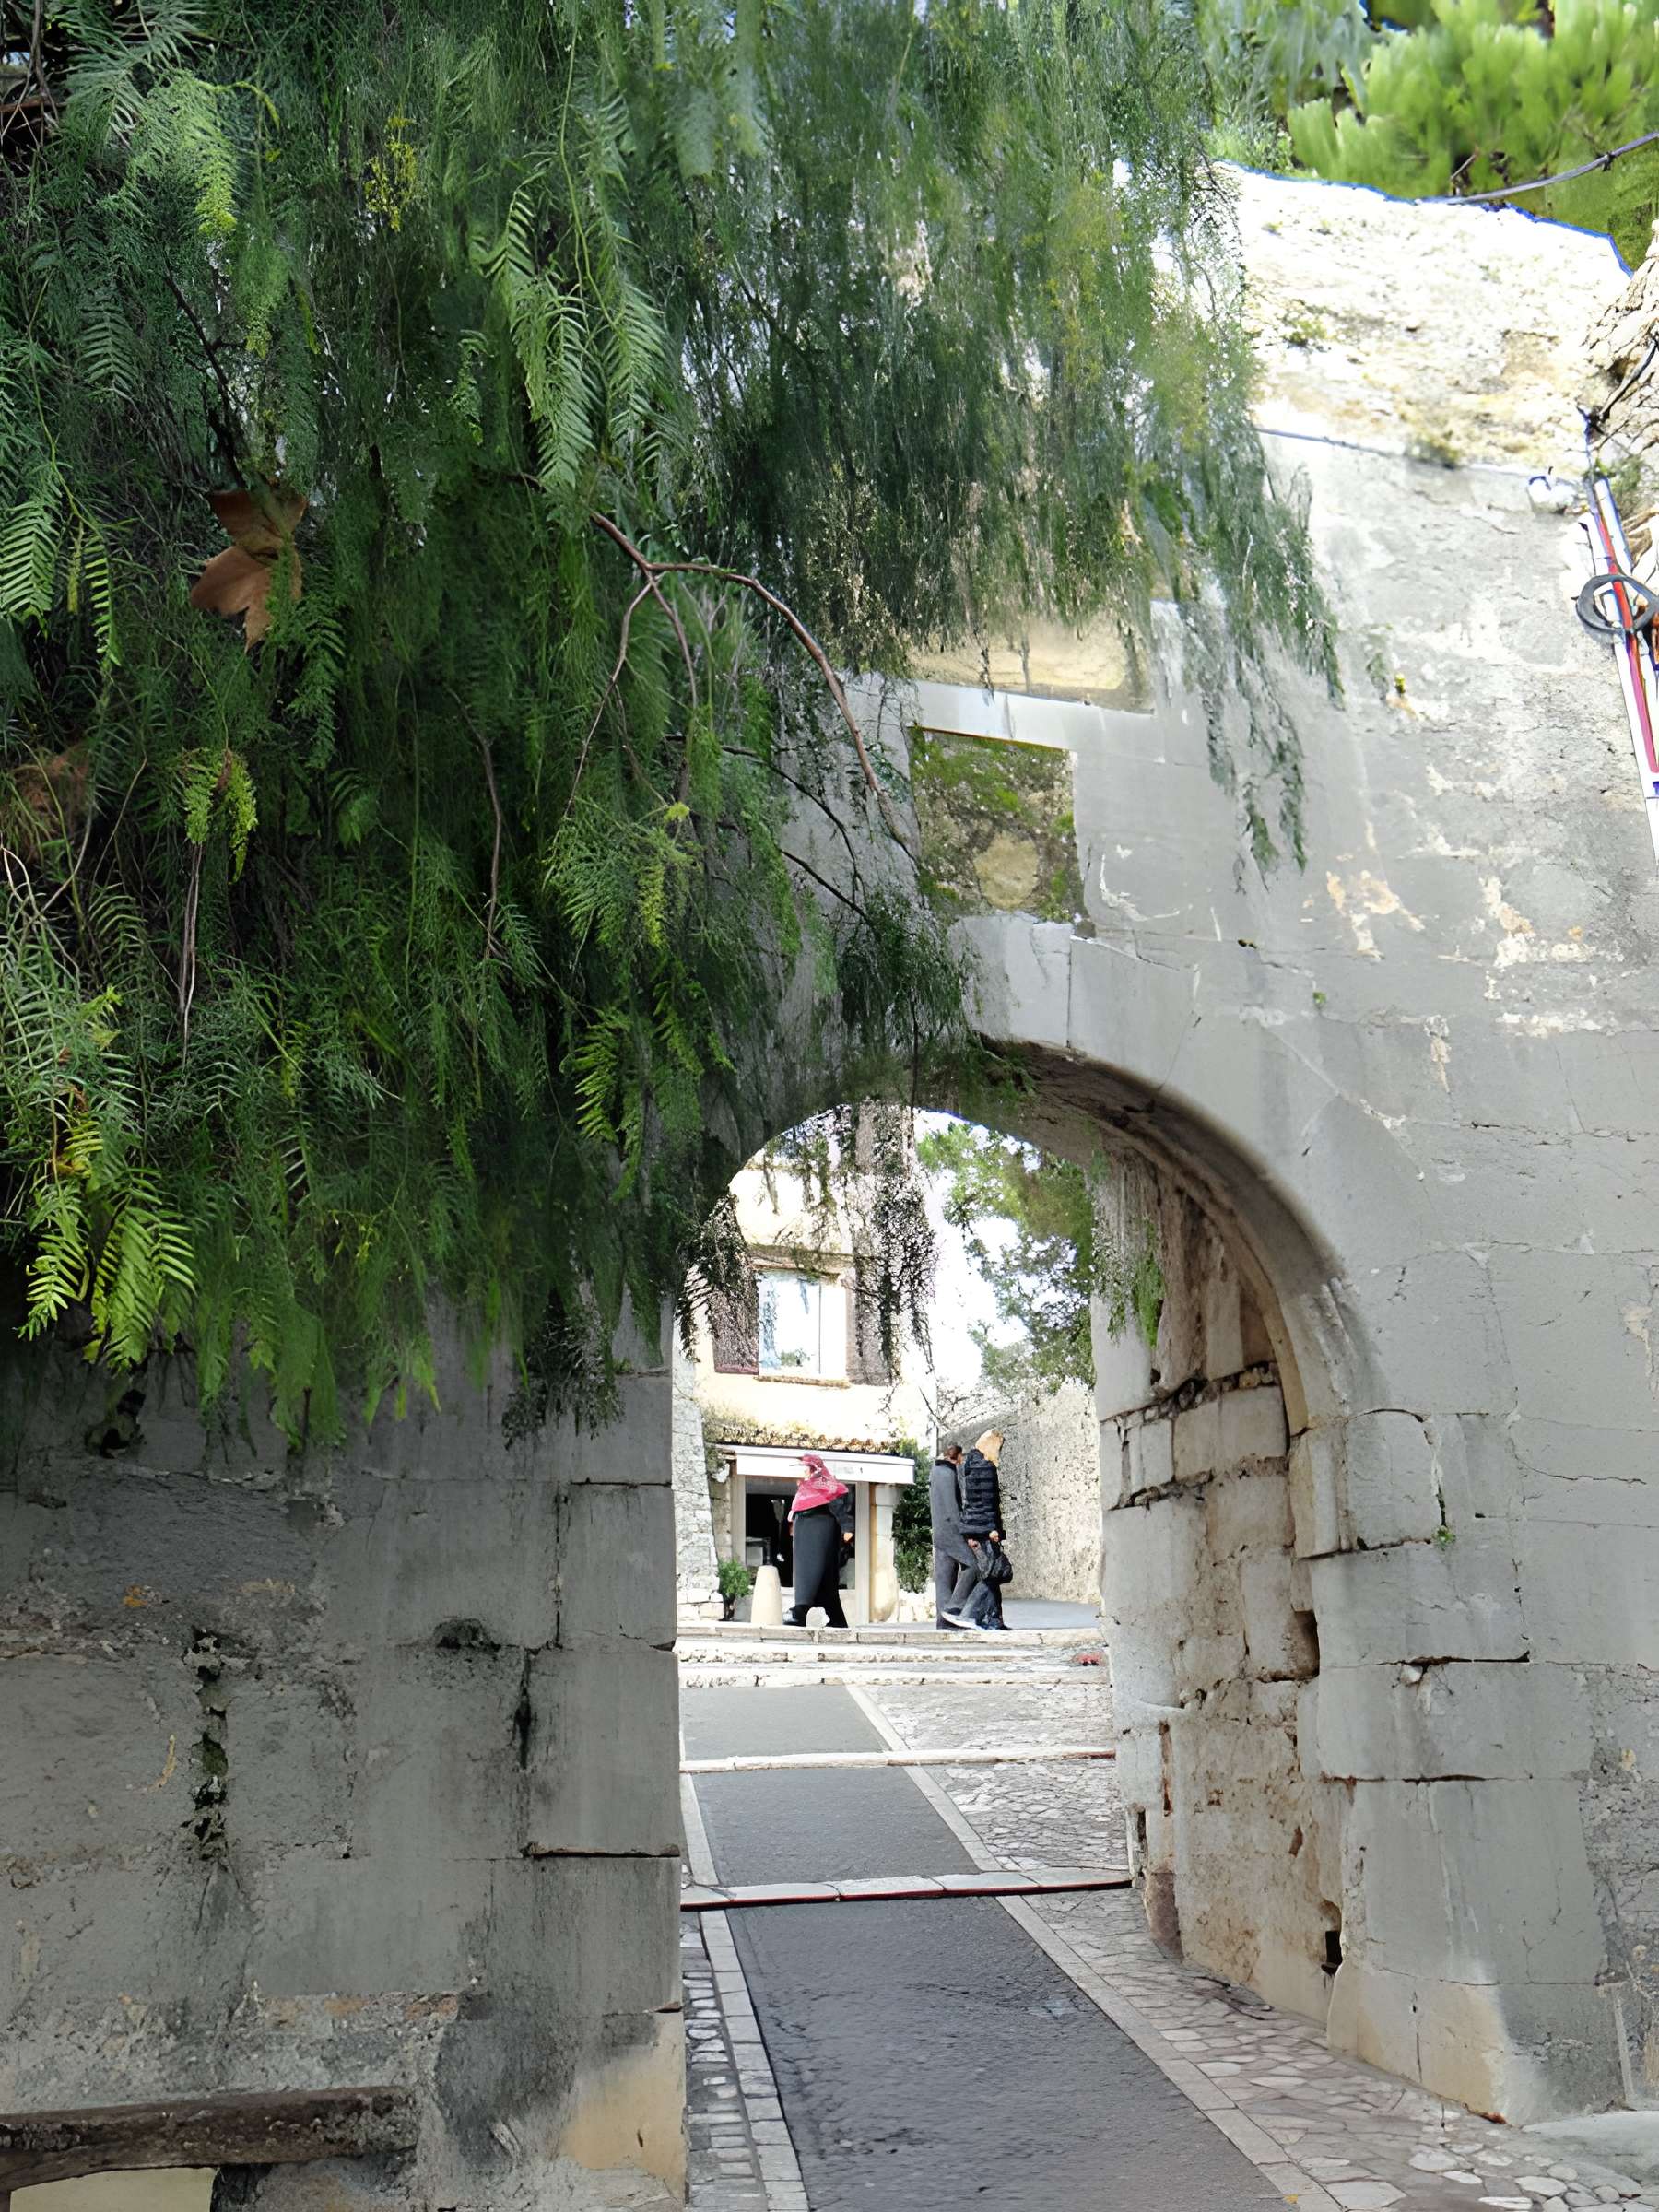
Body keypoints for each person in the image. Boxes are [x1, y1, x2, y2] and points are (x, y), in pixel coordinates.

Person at [945, 1429, 1010, 1631]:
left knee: (992, 1571)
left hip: (974, 1527)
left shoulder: (970, 1464)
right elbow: (986, 1502)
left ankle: (995, 1619)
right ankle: (969, 1612)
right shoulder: (986, 1466)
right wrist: (992, 1529)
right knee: (993, 1574)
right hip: (984, 1528)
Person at [784, 1453, 853, 1628]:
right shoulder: (805, 1489)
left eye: (805, 1468)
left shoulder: (824, 1484)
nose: (803, 1473)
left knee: (814, 1572)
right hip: (807, 1534)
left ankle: (802, 1610)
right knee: (816, 1577)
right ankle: (835, 1617)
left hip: (819, 1534)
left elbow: (837, 1505)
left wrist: (847, 1527)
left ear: (814, 1469)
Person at [929, 1443, 974, 1630]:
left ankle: (943, 1620)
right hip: (950, 1530)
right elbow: (952, 1508)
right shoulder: (948, 1474)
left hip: (938, 1530)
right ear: (957, 1457)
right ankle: (954, 1608)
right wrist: (964, 1530)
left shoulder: (934, 1471)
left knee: (944, 1576)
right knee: (973, 1565)